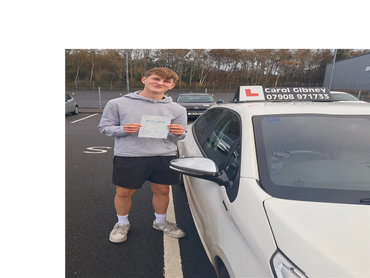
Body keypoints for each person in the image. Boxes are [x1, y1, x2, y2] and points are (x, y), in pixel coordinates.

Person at [98, 67, 187, 243]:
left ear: (171, 86)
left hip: (164, 155)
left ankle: (160, 222)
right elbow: (104, 127)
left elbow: (181, 135)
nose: (160, 83)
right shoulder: (117, 104)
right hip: (130, 155)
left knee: (162, 190)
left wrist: (178, 133)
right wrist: (122, 129)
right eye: (156, 79)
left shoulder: (178, 109)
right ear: (144, 79)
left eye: (166, 81)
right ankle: (122, 223)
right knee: (123, 192)